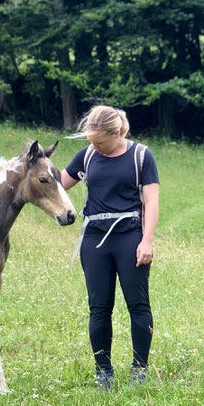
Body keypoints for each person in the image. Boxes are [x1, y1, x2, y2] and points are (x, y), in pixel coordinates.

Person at [61, 106, 159, 389]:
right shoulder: (88, 155)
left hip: (130, 237)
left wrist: (147, 241)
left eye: (99, 141)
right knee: (99, 307)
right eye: (90, 141)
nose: (94, 146)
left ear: (117, 133)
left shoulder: (141, 156)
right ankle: (103, 370)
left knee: (138, 305)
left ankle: (139, 368)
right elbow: (57, 185)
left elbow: (151, 201)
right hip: (94, 240)